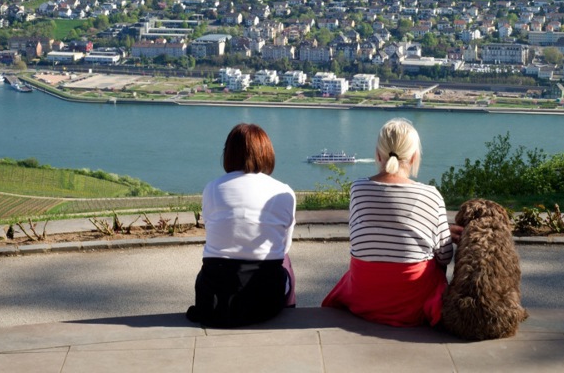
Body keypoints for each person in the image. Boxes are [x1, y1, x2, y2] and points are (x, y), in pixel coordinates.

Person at [322, 118, 454, 327]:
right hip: (414, 305)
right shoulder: (430, 195)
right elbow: (445, 257)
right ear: (414, 156)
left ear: (377, 154)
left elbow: (359, 242)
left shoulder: (358, 189)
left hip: (364, 298)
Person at [186, 123, 297, 328]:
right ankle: (289, 310)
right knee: (285, 259)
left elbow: (212, 229)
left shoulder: (212, 188)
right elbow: (284, 246)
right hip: (265, 303)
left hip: (214, 300)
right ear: (267, 153)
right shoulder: (284, 191)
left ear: (228, 153)